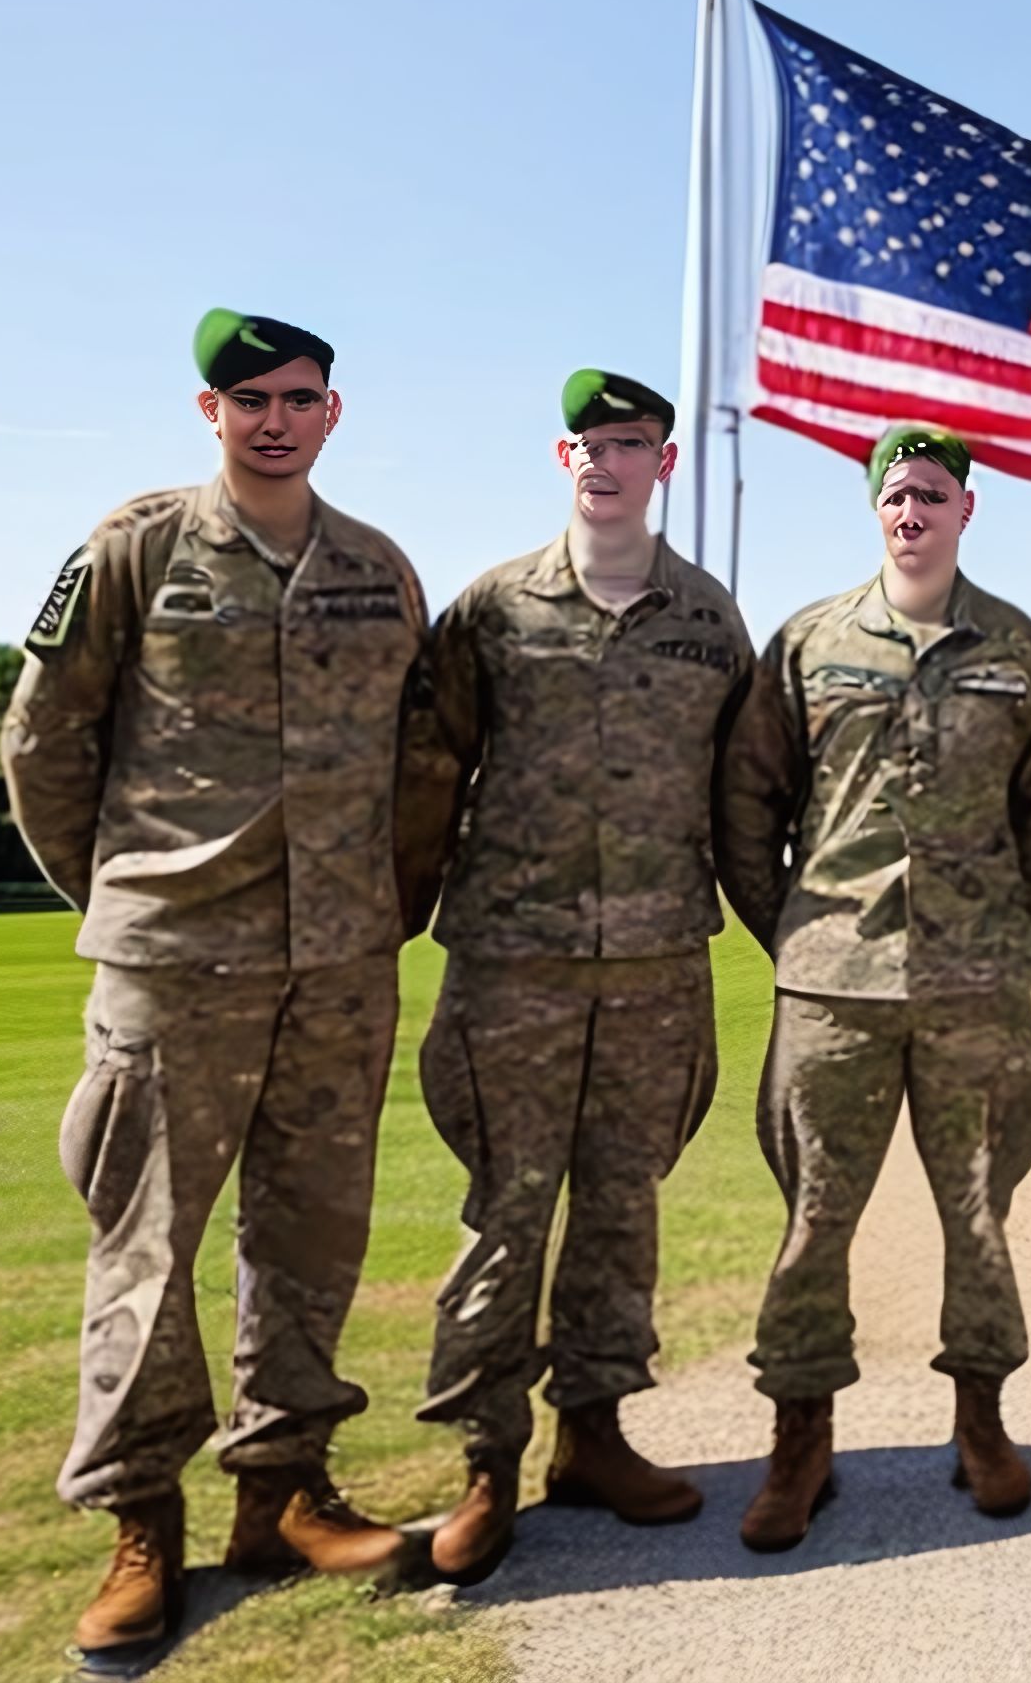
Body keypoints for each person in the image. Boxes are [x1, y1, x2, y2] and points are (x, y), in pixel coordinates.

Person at [1, 308, 445, 1663]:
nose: (272, 418)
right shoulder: (134, 550)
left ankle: (284, 1494)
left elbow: (422, 765)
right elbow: (42, 741)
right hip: (172, 966)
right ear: (210, 414)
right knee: (145, 1248)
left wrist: (387, 908)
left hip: (339, 963)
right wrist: (131, 895)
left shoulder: (378, 570)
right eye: (245, 397)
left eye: (296, 396)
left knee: (310, 1240)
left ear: (332, 413)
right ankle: (143, 1526)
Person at [406, 370, 754, 1583]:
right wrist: (403, 914)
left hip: (659, 957)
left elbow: (740, 789)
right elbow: (430, 770)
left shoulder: (709, 618)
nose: (605, 462)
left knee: (622, 1200)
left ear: (662, 462)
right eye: (587, 443)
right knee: (508, 1204)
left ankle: (594, 1434)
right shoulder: (492, 610)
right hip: (514, 959)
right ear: (562, 458)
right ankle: (486, 1459)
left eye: (629, 444)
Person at [715, 423, 1031, 1553]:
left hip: (975, 988)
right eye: (896, 495)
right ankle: (801, 1437)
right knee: (816, 1219)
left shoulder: (1016, 647)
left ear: (968, 507)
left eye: (932, 493)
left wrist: (1015, 944)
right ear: (876, 511)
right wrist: (798, 931)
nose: (912, 511)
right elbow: (748, 804)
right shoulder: (811, 642)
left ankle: (980, 1423)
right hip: (835, 987)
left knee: (978, 1215)